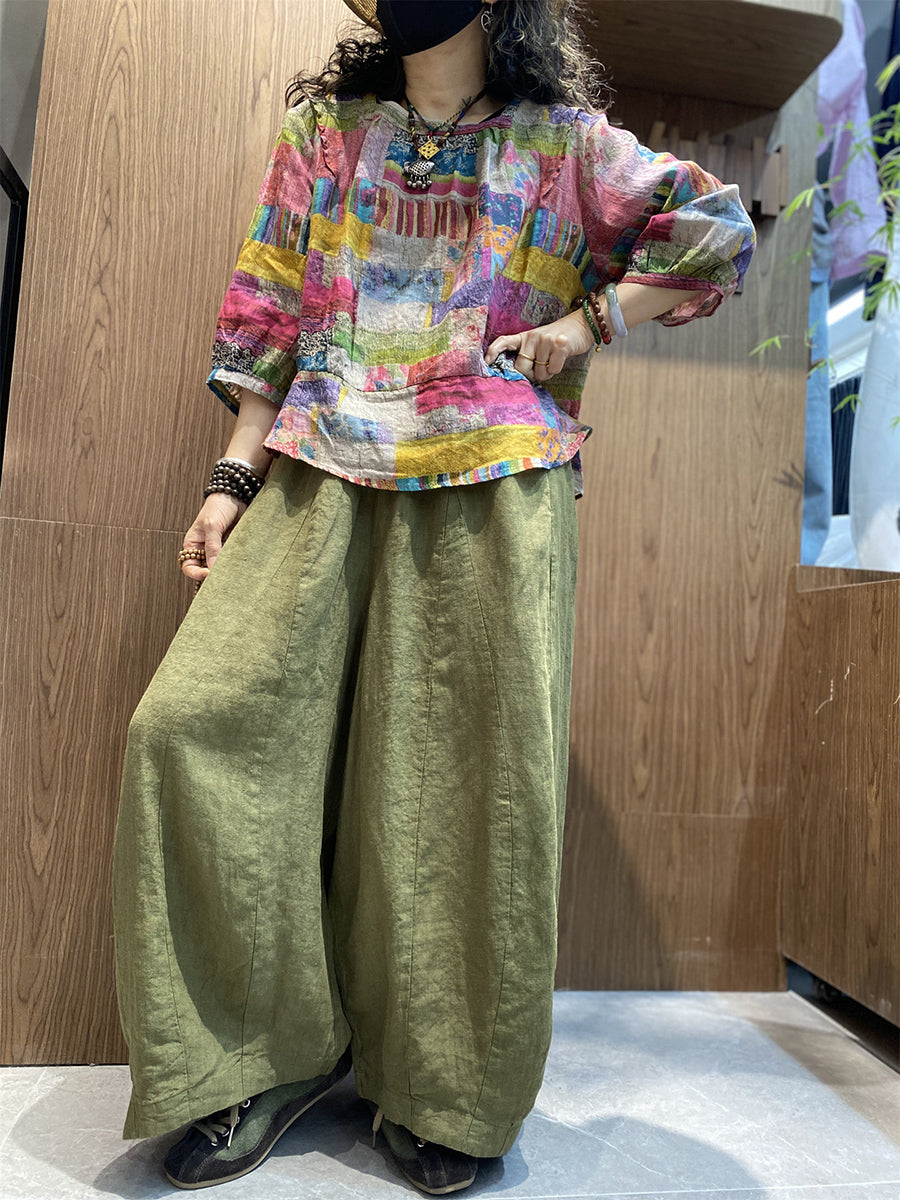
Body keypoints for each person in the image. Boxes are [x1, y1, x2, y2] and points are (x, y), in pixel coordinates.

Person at [111, 0, 757, 1194]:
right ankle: (255, 1054)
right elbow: (269, 306)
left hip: (495, 478)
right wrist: (229, 481)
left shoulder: (564, 144)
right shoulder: (328, 132)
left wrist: (587, 323)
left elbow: (713, 228)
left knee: (465, 786)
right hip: (319, 462)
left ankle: (445, 1081)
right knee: (194, 727)